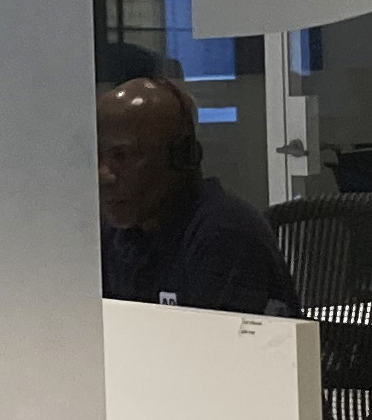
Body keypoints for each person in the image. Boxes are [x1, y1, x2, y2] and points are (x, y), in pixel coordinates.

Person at [96, 72, 297, 314]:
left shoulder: (225, 235)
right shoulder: (117, 235)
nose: (103, 175)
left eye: (122, 156)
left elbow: (228, 347)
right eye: (97, 156)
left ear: (183, 158)